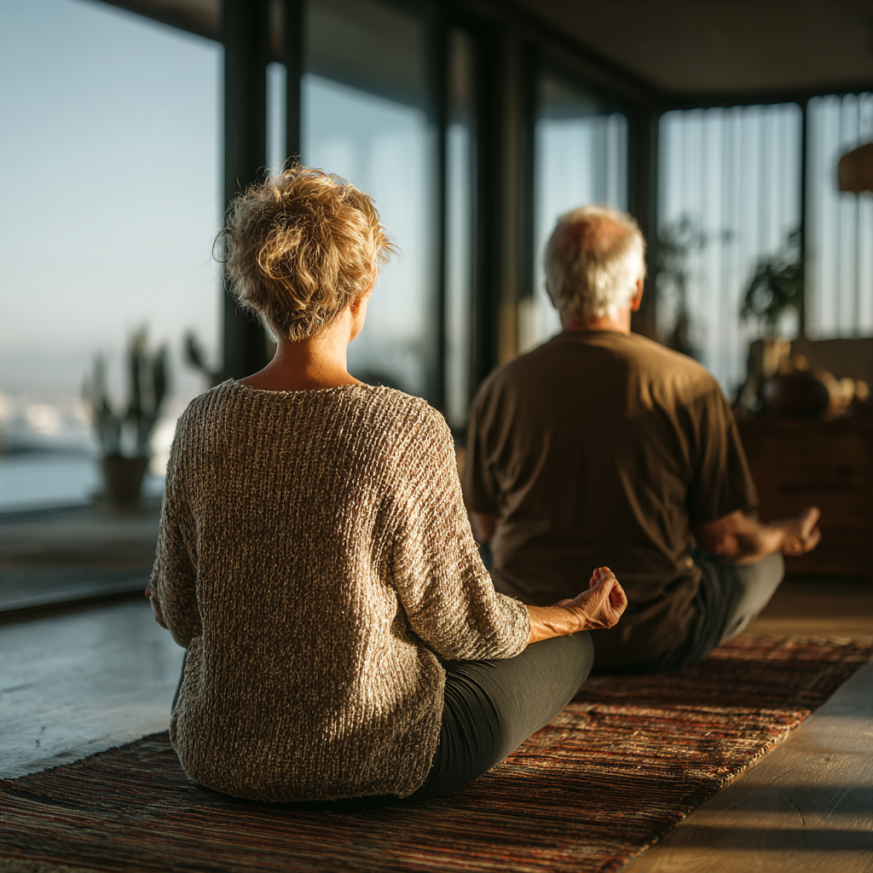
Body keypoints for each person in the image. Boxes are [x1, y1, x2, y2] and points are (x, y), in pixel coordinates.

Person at [147, 166, 627, 806]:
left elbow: (179, 615)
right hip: (369, 755)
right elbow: (462, 628)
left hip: (221, 757)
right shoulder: (405, 428)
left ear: (255, 288)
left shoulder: (200, 422)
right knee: (574, 652)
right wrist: (568, 616)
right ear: (364, 283)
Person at [463, 204, 820, 675]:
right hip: (650, 636)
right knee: (765, 561)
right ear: (636, 289)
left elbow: (484, 529)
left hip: (536, 637)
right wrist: (783, 536)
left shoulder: (499, 388)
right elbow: (727, 539)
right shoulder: (690, 384)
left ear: (552, 290)